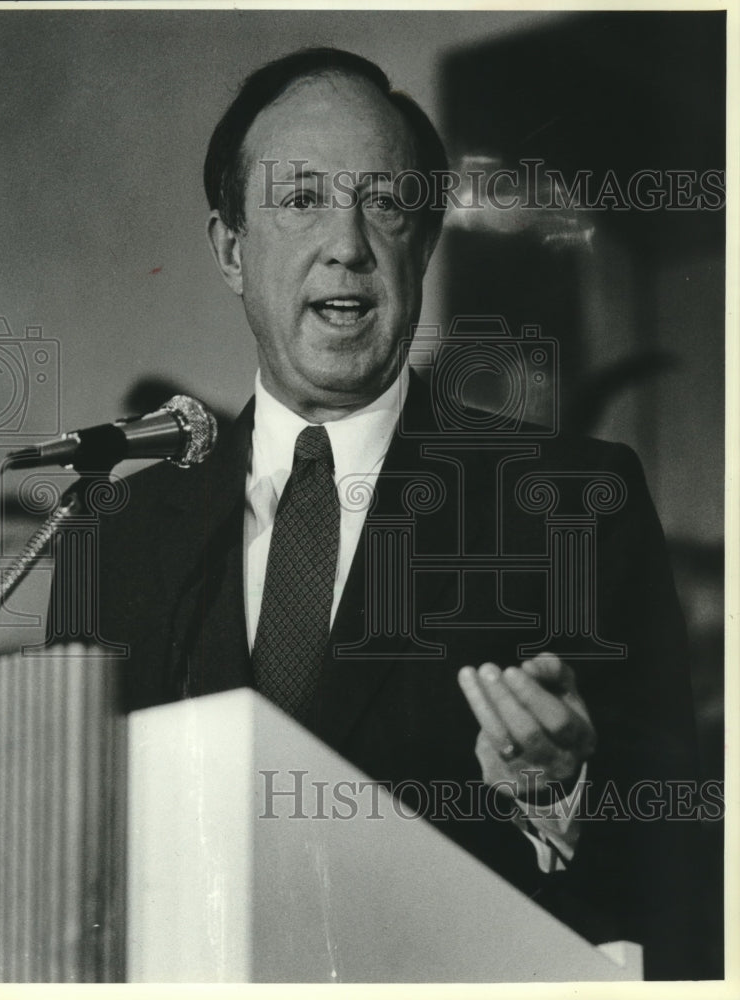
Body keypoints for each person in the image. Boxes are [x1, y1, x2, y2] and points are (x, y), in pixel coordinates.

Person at [49, 48, 703, 979]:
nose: (347, 243)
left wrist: (560, 789)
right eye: (302, 197)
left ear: (425, 244)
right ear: (232, 248)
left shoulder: (570, 505)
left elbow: (680, 870)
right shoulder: (118, 534)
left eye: (386, 202)